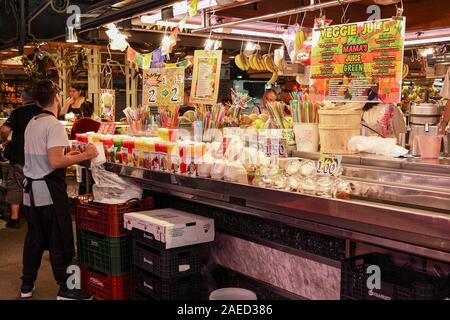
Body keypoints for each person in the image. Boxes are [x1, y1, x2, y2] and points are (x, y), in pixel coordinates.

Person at [21, 80, 98, 300]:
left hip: (31, 193)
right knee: (61, 240)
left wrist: (71, 157)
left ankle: (27, 285)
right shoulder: (54, 125)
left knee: (34, 240)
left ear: (37, 101)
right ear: (56, 97)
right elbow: (54, 162)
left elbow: (46, 158)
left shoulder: (32, 122)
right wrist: (85, 155)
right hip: (48, 192)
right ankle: (67, 288)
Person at [0, 88, 42, 228]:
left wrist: (4, 141)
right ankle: (37, 218)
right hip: (39, 157)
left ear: (22, 99)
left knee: (16, 185)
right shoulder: (43, 112)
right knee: (38, 185)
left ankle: (14, 218)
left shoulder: (17, 112)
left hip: (19, 155)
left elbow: (5, 129)